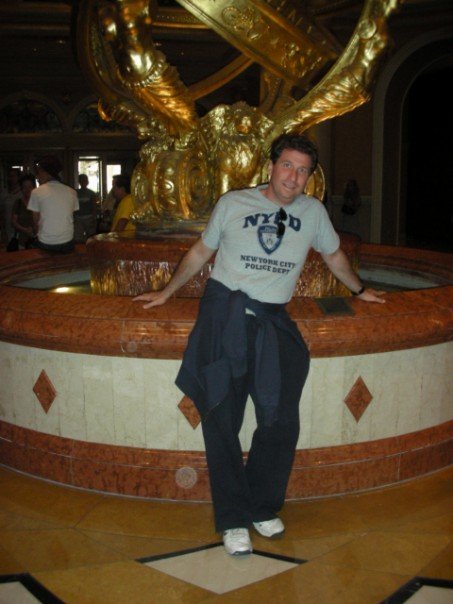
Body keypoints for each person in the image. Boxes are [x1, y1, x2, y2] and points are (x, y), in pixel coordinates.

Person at [134, 134, 385, 557]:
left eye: (303, 170)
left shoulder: (313, 212)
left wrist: (361, 291)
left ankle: (262, 505)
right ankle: (233, 518)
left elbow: (334, 257)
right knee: (221, 419)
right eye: (287, 165)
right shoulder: (234, 203)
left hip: (272, 321)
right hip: (224, 319)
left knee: (280, 420)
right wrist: (167, 291)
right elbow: (200, 252)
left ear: (309, 177)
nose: (293, 177)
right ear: (271, 167)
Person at [28, 155, 79, 253]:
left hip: (46, 242)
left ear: (45, 172)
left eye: (39, 172)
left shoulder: (36, 192)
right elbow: (71, 215)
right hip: (67, 240)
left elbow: (36, 220)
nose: (37, 177)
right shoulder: (72, 192)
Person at [11, 173, 37, 249]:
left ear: (34, 188)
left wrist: (34, 229)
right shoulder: (18, 203)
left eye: (30, 187)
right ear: (21, 189)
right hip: (21, 241)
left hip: (37, 240)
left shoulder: (38, 202)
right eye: (24, 187)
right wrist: (25, 230)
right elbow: (13, 222)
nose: (27, 189)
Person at [0, 168, 22, 245]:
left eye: (13, 176)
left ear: (18, 177)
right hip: (7, 228)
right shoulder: (4, 193)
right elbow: (1, 212)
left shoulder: (22, 193)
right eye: (9, 176)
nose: (11, 178)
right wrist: (3, 230)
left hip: (20, 228)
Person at [74, 174, 98, 242]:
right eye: (82, 180)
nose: (83, 182)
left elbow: (94, 207)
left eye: (85, 180)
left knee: (91, 237)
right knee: (78, 238)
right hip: (78, 218)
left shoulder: (91, 193)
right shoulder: (75, 193)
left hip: (89, 218)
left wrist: (94, 218)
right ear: (79, 182)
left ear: (87, 182)